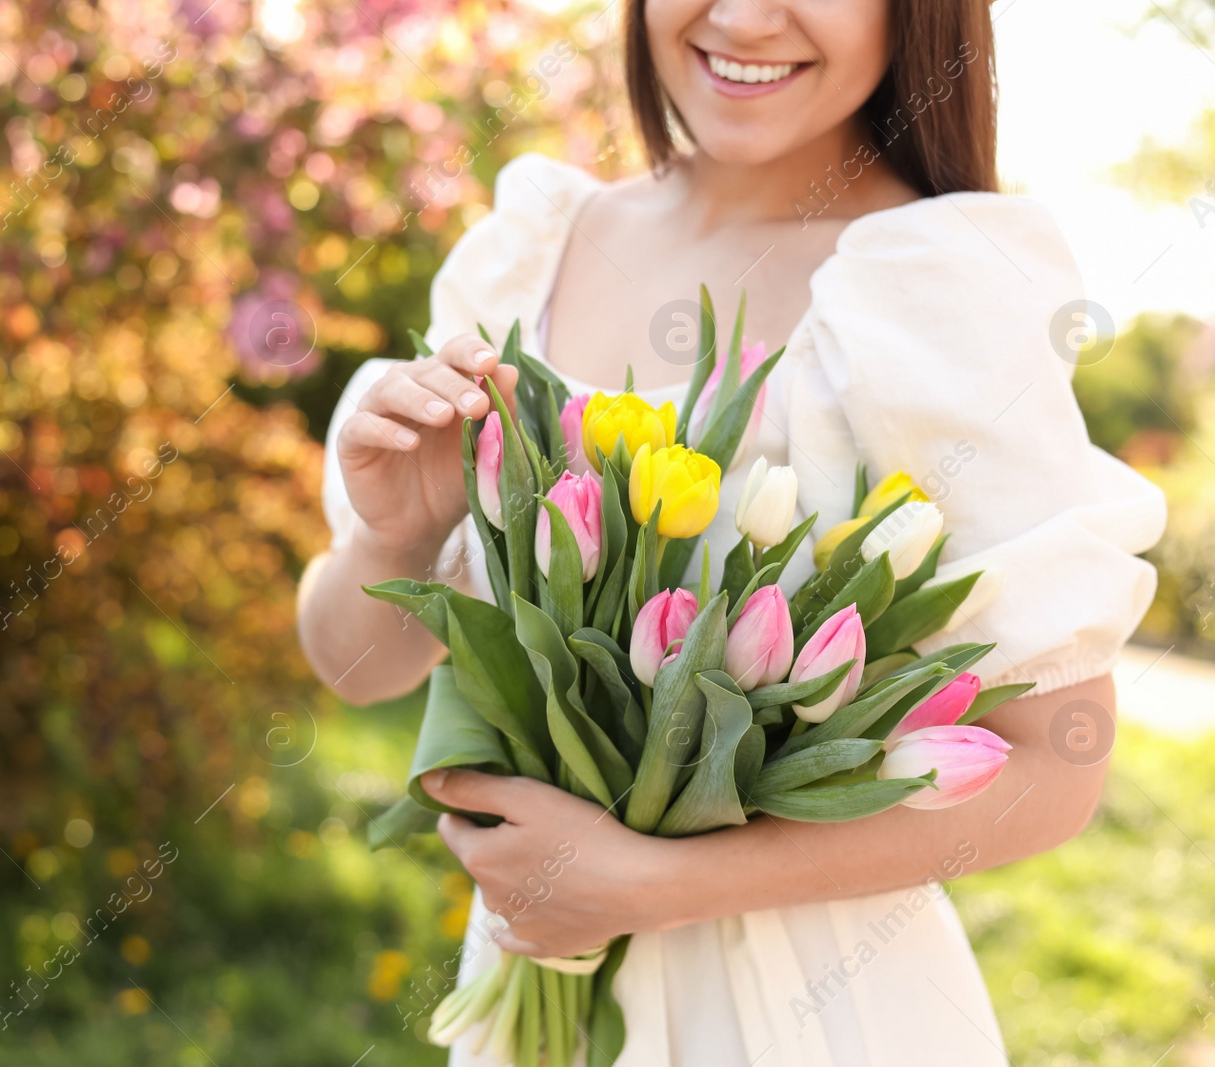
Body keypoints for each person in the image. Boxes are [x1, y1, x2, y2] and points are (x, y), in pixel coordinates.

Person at [298, 0, 1166, 1062]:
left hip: (804, 1013)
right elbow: (358, 671)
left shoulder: (929, 287)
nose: (747, 16)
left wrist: (655, 883)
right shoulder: (529, 254)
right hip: (531, 990)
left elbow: (1057, 761)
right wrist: (393, 544)